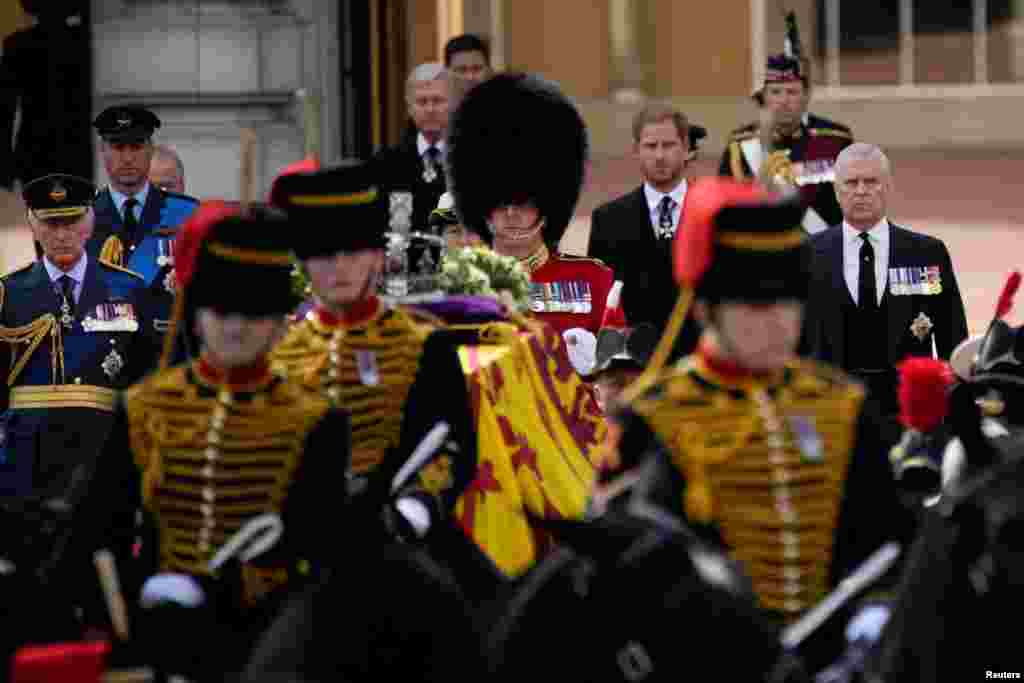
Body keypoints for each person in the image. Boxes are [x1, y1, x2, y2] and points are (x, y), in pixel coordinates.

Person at [610, 177, 916, 670]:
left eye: (788, 302)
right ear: (707, 309)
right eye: (755, 305)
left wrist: (872, 619)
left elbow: (887, 541)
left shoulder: (843, 406)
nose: (778, 321)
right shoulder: (651, 417)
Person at [76, 201, 350, 681]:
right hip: (161, 632)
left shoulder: (316, 420)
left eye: (253, 312)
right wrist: (128, 622)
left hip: (272, 641)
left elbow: (324, 554)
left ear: (278, 322)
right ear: (198, 315)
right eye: (222, 310)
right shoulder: (143, 407)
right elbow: (99, 530)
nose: (236, 327)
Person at [269, 160, 442, 495]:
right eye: (323, 254)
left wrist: (417, 508)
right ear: (303, 262)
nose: (339, 267)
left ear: (378, 257)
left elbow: (450, 443)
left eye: (353, 251)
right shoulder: (280, 355)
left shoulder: (426, 345)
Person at [448, 71, 625, 376]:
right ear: (481, 207)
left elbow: (618, 383)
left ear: (546, 206)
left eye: (523, 202)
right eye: (499, 203)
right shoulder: (458, 285)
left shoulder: (595, 282)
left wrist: (595, 366)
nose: (512, 214)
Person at [0, 174, 157, 499]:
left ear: (89, 222)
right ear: (33, 224)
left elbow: (146, 373)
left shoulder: (128, 289)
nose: (61, 234)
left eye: (71, 222)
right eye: (51, 223)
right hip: (28, 453)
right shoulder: (8, 293)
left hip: (104, 447)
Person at [803, 143, 968, 424]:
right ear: (836, 190)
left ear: (888, 186)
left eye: (871, 182)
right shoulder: (807, 254)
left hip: (907, 414)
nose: (861, 191)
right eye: (851, 182)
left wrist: (959, 416)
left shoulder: (926, 252)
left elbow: (954, 338)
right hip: (829, 411)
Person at [588, 103, 702, 358]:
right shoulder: (608, 220)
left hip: (699, 368)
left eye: (669, 145)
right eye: (651, 146)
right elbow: (602, 306)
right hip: (633, 369)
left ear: (686, 150)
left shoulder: (714, 214)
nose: (660, 156)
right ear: (636, 151)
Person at [87, 106, 199, 354]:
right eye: (117, 147)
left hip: (167, 361)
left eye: (136, 147)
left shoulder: (187, 214)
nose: (127, 158)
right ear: (102, 152)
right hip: (100, 361)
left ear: (150, 151)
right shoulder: (81, 215)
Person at [720, 54, 853, 234]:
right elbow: (726, 204)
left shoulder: (835, 141)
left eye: (792, 92)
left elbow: (851, 201)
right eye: (775, 92)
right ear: (764, 97)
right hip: (765, 246)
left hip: (821, 248)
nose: (783, 101)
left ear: (806, 96)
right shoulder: (741, 145)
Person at [0, 1, 93, 189]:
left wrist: (5, 166)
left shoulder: (17, 44)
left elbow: (5, 109)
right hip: (75, 145)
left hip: (35, 148)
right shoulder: (83, 42)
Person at [372, 63, 449, 233]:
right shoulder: (388, 162)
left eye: (437, 100)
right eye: (422, 102)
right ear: (410, 108)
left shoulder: (469, 159)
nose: (430, 109)